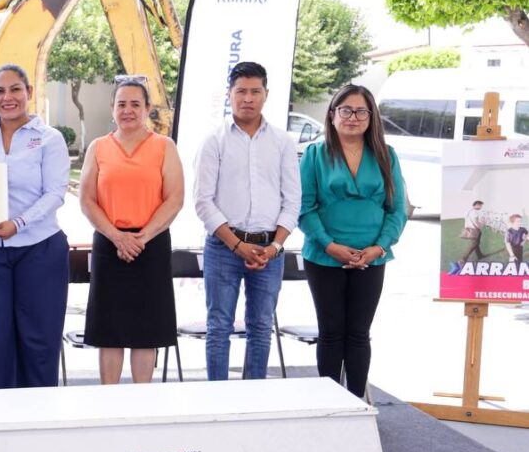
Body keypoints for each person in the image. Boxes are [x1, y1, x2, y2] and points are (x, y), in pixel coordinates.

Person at [0, 64, 70, 389]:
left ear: (29, 93)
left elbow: (55, 194)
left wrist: (18, 223)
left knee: (39, 344)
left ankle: (39, 427)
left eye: (15, 89)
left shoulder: (49, 139)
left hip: (40, 250)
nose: (7, 97)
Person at [193, 61, 300, 381]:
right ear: (229, 95)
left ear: (266, 95)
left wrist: (276, 246)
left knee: (261, 328)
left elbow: (293, 200)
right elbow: (203, 201)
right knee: (219, 327)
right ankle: (219, 402)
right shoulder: (214, 141)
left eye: (255, 91)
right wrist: (237, 244)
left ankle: (254, 400)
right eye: (241, 91)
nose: (248, 98)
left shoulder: (282, 142)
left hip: (270, 249)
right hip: (224, 248)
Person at [299, 84, 407, 399]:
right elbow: (304, 209)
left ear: (371, 117)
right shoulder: (314, 154)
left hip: (372, 257)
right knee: (331, 333)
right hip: (324, 256)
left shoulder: (387, 156)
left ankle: (356, 403)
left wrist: (378, 248)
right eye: (345, 110)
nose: (353, 117)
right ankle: (329, 404)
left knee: (359, 334)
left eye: (361, 111)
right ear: (332, 116)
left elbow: (397, 209)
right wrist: (329, 245)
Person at [79, 79, 183, 384]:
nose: (128, 110)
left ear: (147, 109)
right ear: (112, 110)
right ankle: (110, 401)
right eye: (121, 104)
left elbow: (174, 198)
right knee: (109, 331)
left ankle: (142, 402)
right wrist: (117, 237)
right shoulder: (98, 148)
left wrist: (142, 237)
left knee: (145, 330)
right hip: (109, 244)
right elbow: (87, 200)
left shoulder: (164, 146)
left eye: (135, 104)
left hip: (150, 244)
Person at [458, 200, 489, 266]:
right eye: (480, 205)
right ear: (477, 205)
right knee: (474, 244)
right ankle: (463, 259)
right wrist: (481, 225)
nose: (481, 207)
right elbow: (476, 222)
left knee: (476, 243)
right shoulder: (475, 213)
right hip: (474, 230)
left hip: (469, 229)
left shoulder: (468, 211)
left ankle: (480, 255)